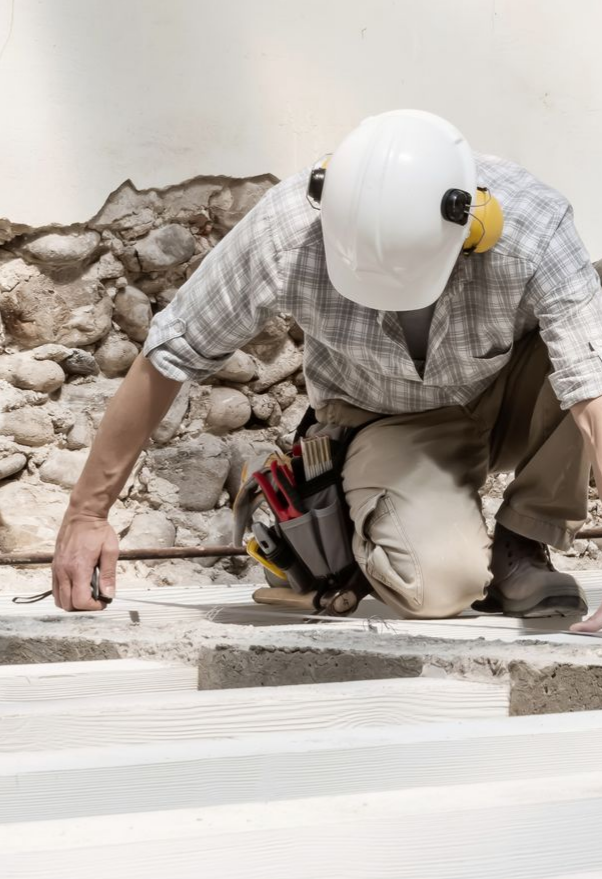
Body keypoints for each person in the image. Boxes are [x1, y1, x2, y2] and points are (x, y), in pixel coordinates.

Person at [53, 110, 602, 634]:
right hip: (386, 415)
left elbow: (593, 389)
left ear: (475, 223)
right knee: (439, 589)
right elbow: (172, 351)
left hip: (510, 395)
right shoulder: (287, 229)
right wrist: (87, 515)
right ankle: (335, 523)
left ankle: (521, 541)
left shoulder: (532, 231)